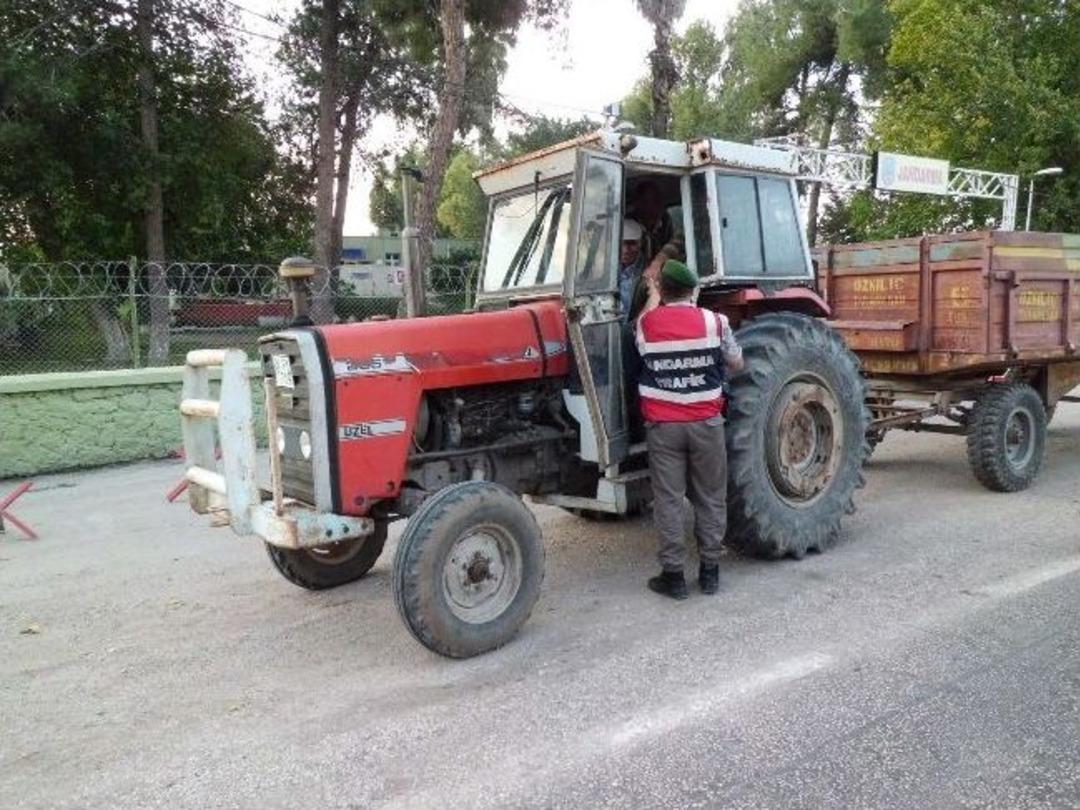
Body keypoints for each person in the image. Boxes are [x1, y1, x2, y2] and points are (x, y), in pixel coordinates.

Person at [635, 259, 744, 600]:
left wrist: (653, 294)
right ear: (694, 289)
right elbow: (737, 363)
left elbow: (644, 324)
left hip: (664, 427)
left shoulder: (647, 324)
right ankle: (710, 573)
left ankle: (674, 578)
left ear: (663, 290)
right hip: (706, 425)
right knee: (710, 497)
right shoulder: (716, 322)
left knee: (668, 501)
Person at [625, 180, 686, 321]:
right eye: (648, 201)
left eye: (657, 201)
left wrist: (658, 262)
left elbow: (678, 241)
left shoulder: (665, 220)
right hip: (633, 279)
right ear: (638, 204)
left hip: (657, 278)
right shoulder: (628, 223)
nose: (654, 207)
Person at [618, 219, 645, 321]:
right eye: (622, 243)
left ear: (640, 244)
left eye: (631, 244)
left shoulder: (648, 272)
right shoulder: (605, 270)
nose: (625, 250)